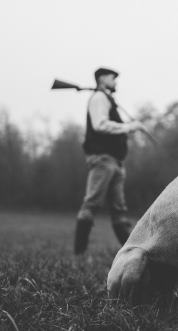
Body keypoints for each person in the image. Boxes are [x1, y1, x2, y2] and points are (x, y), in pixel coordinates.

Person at [74, 67, 145, 255]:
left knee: (119, 210)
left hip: (116, 161)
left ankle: (132, 254)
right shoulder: (99, 98)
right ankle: (79, 255)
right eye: (113, 78)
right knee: (91, 204)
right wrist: (129, 127)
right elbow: (100, 125)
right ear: (103, 78)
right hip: (103, 159)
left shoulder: (106, 99)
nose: (116, 82)